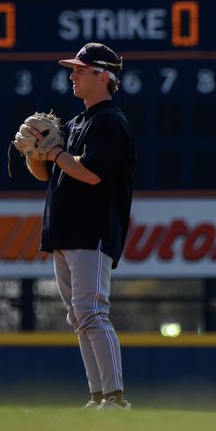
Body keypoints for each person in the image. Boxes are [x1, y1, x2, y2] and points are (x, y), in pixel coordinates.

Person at [21, 42, 136, 410]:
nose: (72, 76)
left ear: (103, 76)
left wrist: (54, 152)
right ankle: (98, 396)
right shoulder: (73, 124)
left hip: (93, 231)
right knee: (79, 317)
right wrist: (33, 152)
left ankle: (115, 398)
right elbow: (45, 173)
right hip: (66, 232)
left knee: (92, 313)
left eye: (80, 71)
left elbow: (89, 174)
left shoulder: (110, 122)